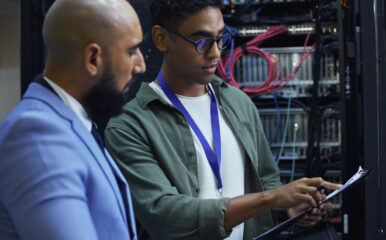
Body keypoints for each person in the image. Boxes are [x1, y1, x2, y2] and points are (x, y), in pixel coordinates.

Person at [104, 1, 340, 239]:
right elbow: (165, 217)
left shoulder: (238, 103)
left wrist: (287, 210)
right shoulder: (129, 126)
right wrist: (270, 198)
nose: (216, 52)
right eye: (202, 42)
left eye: (220, 39)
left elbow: (266, 182)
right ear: (162, 38)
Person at [0, 0, 146, 239]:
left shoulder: (75, 122)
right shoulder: (36, 136)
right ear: (93, 59)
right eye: (131, 51)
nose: (140, 65)